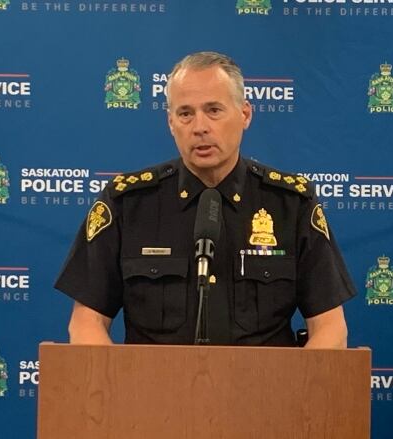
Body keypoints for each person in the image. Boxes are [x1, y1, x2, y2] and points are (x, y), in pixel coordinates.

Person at [55, 51, 356, 348]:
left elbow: (330, 327)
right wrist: (115, 387)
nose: (200, 127)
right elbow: (85, 323)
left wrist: (297, 395)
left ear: (245, 114)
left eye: (214, 110)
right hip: (153, 393)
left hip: (265, 392)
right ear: (171, 122)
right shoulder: (127, 202)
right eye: (185, 113)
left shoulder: (290, 203)